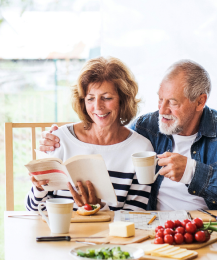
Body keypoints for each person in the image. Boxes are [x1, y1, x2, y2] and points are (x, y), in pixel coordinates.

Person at [39, 59, 217, 211]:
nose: (162, 110)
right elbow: (106, 129)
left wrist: (192, 172)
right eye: (160, 99)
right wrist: (60, 137)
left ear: (200, 101)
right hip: (153, 227)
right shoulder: (148, 126)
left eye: (172, 102)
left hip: (210, 228)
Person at [26, 57, 153, 212]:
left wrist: (99, 209)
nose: (98, 107)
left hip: (110, 235)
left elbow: (135, 215)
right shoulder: (59, 140)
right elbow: (32, 209)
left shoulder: (140, 149)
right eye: (90, 98)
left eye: (106, 98)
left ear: (123, 99)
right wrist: (39, 189)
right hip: (62, 233)